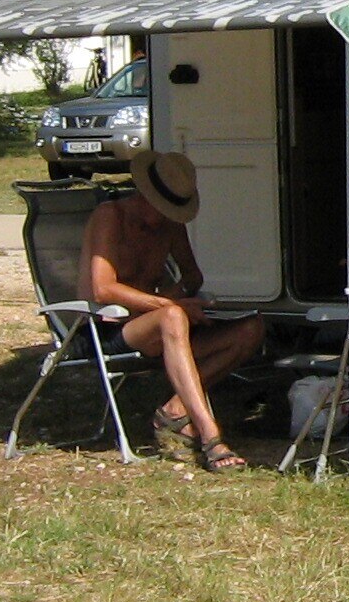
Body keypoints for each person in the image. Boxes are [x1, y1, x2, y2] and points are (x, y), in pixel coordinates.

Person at [78, 149, 265, 472]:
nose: (165, 217)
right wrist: (168, 305)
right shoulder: (111, 217)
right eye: (161, 208)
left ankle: (175, 410)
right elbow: (102, 288)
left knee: (252, 329)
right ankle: (211, 439)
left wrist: (178, 297)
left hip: (154, 327)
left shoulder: (169, 224)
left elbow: (193, 275)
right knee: (173, 316)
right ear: (145, 196)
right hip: (104, 328)